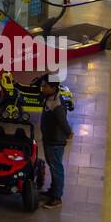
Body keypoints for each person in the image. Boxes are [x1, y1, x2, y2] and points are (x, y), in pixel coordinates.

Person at [39, 73, 73, 209]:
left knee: (56, 167)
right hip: (49, 139)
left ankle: (57, 197)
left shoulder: (57, 103)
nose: (42, 88)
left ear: (53, 87)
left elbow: (63, 122)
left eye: (45, 86)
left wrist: (69, 133)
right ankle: (53, 191)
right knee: (53, 166)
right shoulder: (50, 97)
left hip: (55, 141)